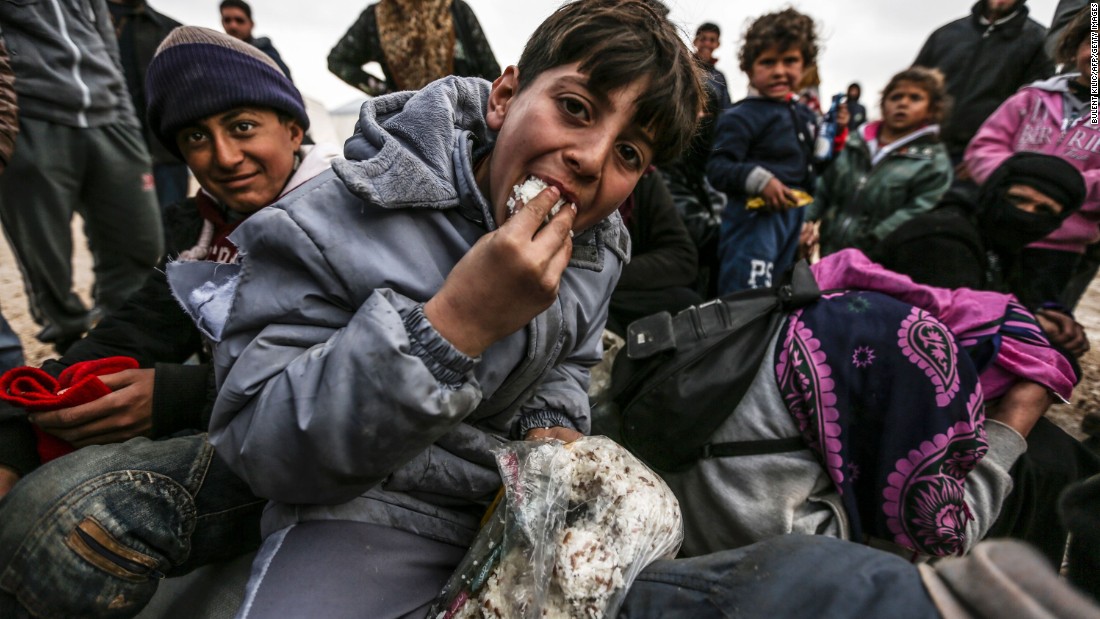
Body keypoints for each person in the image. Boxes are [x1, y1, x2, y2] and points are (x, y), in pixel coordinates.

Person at [164, 1, 702, 616]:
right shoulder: (333, 217)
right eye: (575, 108)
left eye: (629, 153)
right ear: (504, 97)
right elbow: (260, 441)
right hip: (364, 512)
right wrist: (454, 326)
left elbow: (569, 361)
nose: (592, 157)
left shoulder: (597, 252)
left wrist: (549, 423)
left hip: (506, 510)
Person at [0, 26, 343, 619]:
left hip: (322, 459)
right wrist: (12, 433)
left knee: (65, 513)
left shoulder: (354, 214)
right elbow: (133, 328)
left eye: (241, 126)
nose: (224, 158)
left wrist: (182, 396)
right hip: (237, 428)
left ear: (294, 128)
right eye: (195, 137)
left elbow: (370, 372)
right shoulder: (203, 231)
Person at [873, 153, 1099, 566]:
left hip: (954, 394)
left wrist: (1043, 319)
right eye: (1018, 200)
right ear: (993, 192)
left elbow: (1001, 307)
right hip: (903, 396)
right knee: (1045, 464)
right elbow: (955, 350)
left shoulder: (997, 246)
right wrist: (1039, 344)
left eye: (1043, 211)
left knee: (1069, 458)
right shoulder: (944, 240)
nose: (1026, 216)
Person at [0, 0, 164, 352]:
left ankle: (123, 334)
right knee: (45, 255)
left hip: (110, 115)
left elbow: (106, 44)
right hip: (31, 114)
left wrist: (129, 124)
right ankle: (69, 339)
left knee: (140, 241)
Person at [965, 9, 1100, 313]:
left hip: (1056, 248)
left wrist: (1061, 188)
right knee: (971, 309)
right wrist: (1013, 179)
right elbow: (984, 147)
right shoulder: (1031, 98)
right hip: (994, 230)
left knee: (1029, 325)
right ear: (1075, 45)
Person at [707, 8, 819, 293]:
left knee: (779, 294)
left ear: (805, 65)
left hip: (792, 220)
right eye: (768, 62)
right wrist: (761, 181)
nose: (780, 70)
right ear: (748, 68)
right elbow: (718, 169)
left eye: (790, 60)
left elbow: (810, 171)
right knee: (746, 299)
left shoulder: (805, 117)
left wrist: (809, 219)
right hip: (752, 222)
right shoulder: (740, 116)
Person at [809, 67, 952, 257]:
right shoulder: (854, 144)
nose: (903, 103)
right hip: (831, 253)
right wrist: (806, 222)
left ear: (932, 109)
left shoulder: (932, 161)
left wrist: (874, 240)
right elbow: (824, 187)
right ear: (883, 103)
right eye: (896, 97)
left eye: (915, 98)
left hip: (883, 259)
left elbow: (920, 208)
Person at [912, 0, 1051, 172]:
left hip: (980, 162)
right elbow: (911, 88)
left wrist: (989, 159)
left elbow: (1036, 111)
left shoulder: (1039, 41)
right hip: (922, 151)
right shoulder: (945, 34)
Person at [106, 0, 187, 210]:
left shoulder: (171, 30)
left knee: (171, 228)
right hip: (109, 151)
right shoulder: (88, 25)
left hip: (165, 153)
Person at [327, 0, 500, 97]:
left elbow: (492, 73)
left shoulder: (456, 10)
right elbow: (337, 60)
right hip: (408, 131)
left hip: (463, 127)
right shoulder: (375, 18)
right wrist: (387, 93)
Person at [606, 167, 700, 336]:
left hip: (615, 290)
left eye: (627, 152)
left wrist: (606, 273)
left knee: (687, 305)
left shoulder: (645, 179)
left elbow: (682, 256)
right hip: (568, 290)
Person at [219, 0, 292, 80]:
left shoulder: (265, 52)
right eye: (227, 20)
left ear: (251, 24)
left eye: (239, 20)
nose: (233, 26)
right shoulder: (217, 53)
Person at [693, 22, 731, 110]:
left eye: (712, 40)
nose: (707, 43)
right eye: (703, 39)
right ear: (695, 41)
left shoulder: (720, 78)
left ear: (717, 44)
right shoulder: (682, 69)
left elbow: (726, 109)